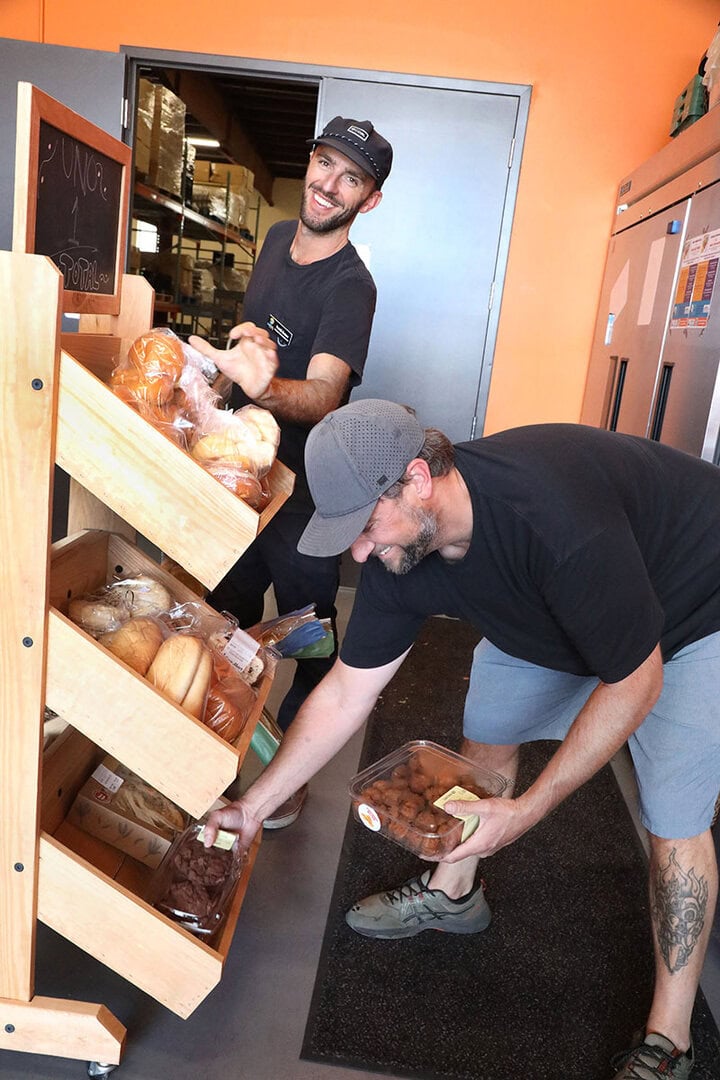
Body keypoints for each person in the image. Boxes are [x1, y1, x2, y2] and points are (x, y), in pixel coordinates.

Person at [204, 397, 720, 1078]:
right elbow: (347, 693)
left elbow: (635, 683)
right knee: (488, 729)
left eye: (365, 526)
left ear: (418, 479)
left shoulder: (552, 520)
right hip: (557, 606)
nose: (360, 552)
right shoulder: (401, 552)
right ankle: (454, 892)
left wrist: (526, 811)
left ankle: (670, 1039)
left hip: (694, 605)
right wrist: (254, 806)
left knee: (674, 818)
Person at [189, 117, 393, 828]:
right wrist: (223, 377)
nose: (329, 184)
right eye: (324, 163)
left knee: (309, 636)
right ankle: (210, 750)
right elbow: (257, 341)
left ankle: (287, 775)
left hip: (307, 495)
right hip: (241, 478)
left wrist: (264, 386)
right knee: (222, 617)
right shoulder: (276, 240)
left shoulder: (352, 287)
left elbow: (325, 394)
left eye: (351, 178)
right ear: (309, 162)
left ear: (369, 199)